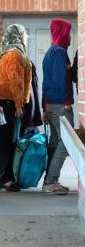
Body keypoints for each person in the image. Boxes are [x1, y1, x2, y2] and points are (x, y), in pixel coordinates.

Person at [0, 24, 32, 192]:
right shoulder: (13, 54)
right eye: (25, 34)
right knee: (5, 142)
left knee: (10, 141)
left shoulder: (14, 52)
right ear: (17, 35)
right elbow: (15, 82)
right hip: (6, 103)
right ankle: (4, 179)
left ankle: (8, 176)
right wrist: (18, 104)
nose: (27, 37)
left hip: (8, 102)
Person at [42, 19, 73, 195]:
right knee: (67, 142)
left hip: (51, 104)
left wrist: (44, 108)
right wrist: (67, 102)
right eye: (68, 32)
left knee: (55, 141)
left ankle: (51, 180)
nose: (70, 36)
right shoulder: (60, 52)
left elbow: (46, 82)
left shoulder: (50, 52)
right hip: (60, 105)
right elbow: (60, 80)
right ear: (62, 33)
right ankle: (50, 182)